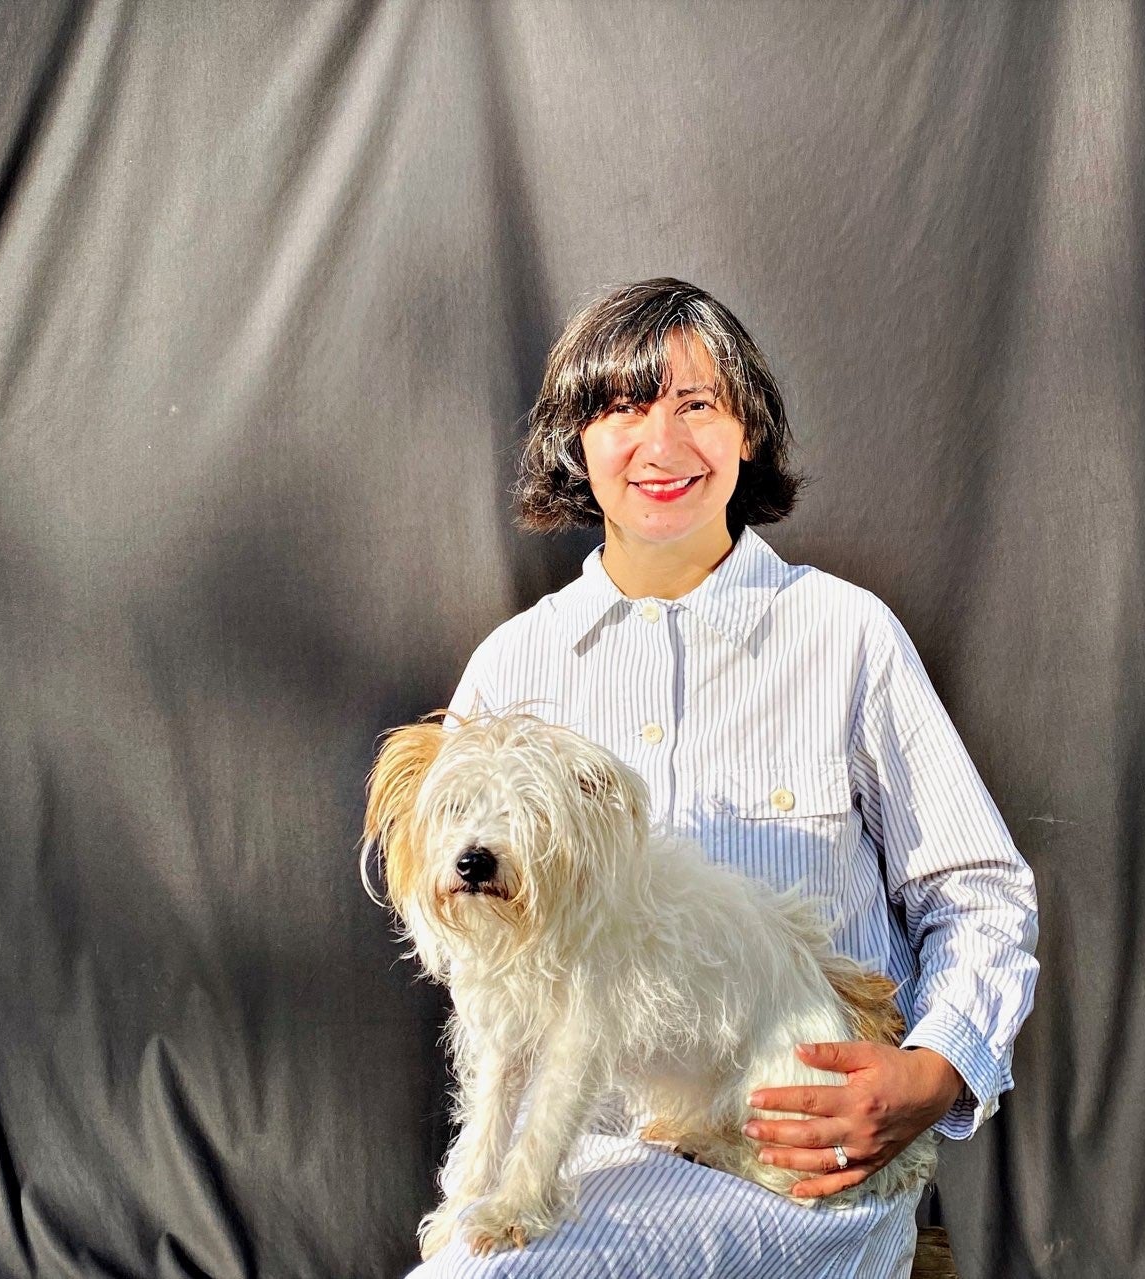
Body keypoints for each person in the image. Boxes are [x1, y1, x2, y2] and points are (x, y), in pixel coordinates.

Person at [409, 278, 1039, 1279]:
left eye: (694, 403)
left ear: (745, 432)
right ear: (576, 444)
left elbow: (979, 894)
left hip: (793, 1166)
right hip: (576, 1165)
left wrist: (930, 1072)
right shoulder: (509, 671)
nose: (660, 444)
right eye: (620, 407)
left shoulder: (843, 637)